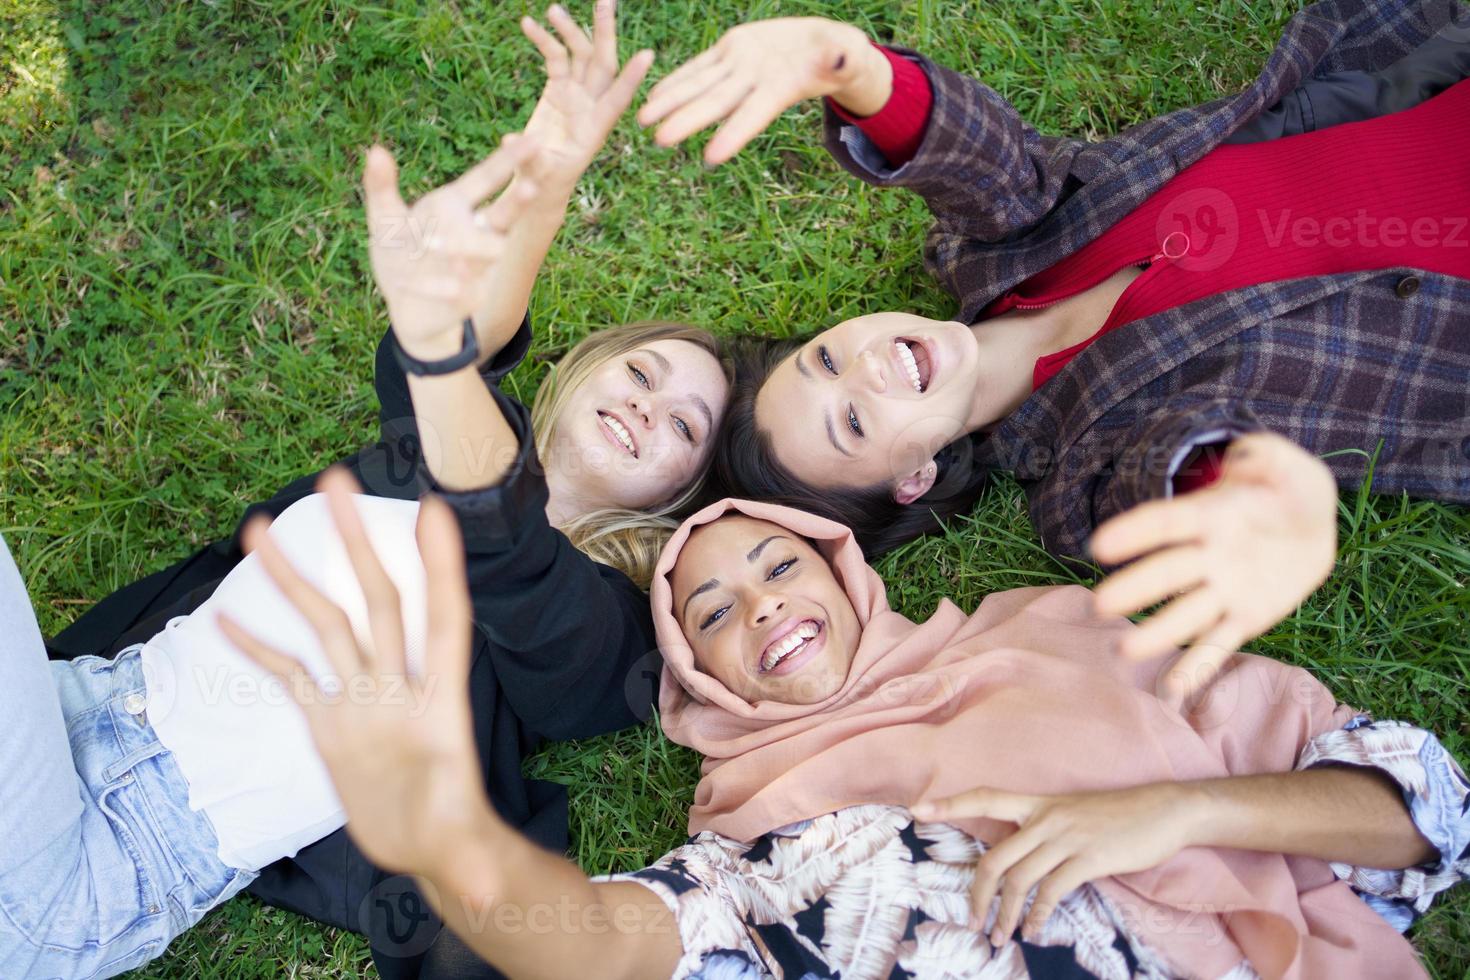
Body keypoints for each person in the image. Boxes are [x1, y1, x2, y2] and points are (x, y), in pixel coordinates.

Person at [13, 5, 731, 977]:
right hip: (72, 706)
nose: (650, 408)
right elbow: (451, 359)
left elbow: (510, 539)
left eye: (684, 424)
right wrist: (544, 183)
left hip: (99, 857)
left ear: (678, 493)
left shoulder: (605, 633)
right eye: (640, 374)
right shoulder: (414, 467)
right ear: (582, 376)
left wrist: (443, 351)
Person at [223, 463, 1469, 979]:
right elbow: (600, 943)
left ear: (843, 566)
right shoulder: (757, 832)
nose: (761, 607)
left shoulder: (1055, 633)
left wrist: (1177, 808)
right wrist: (440, 833)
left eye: (776, 565)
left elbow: (1423, 811)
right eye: (709, 611)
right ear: (696, 680)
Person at [633, 0, 1470, 674]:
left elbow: (992, 166)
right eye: (852, 421)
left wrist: (846, 65)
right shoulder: (1079, 476)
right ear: (914, 477)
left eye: (823, 358)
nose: (863, 368)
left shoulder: (1005, 246)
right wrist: (1267, 493)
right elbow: (1183, 464)